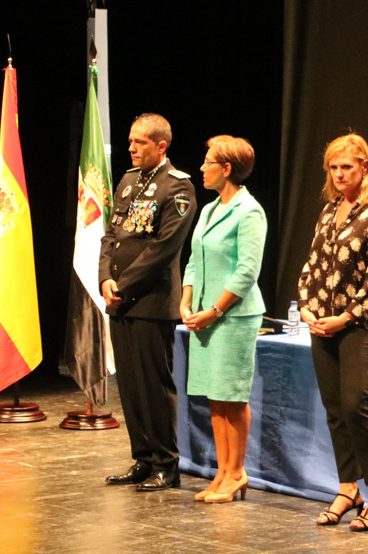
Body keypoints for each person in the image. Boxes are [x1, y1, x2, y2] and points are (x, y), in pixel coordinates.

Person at [297, 133, 368, 530]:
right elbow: (311, 265)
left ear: (364, 168)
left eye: (347, 167)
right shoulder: (329, 210)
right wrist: (306, 305)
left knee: (357, 406)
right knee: (336, 410)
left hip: (361, 325)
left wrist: (347, 316)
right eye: (334, 168)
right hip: (322, 324)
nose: (339, 174)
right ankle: (347, 487)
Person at [100, 113, 197, 491]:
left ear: (161, 146)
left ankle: (165, 463)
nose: (131, 148)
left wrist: (123, 282)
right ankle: (142, 457)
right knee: (129, 385)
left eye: (139, 142)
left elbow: (163, 247)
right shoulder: (127, 181)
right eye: (130, 141)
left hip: (151, 300)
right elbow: (112, 235)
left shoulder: (178, 188)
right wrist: (105, 277)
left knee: (155, 385)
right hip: (120, 298)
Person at [181, 135, 266, 504]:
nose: (202, 167)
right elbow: (193, 260)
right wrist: (186, 302)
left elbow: (247, 271)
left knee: (232, 394)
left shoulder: (250, 211)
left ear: (226, 168)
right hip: (202, 316)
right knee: (214, 396)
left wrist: (214, 309)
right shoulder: (209, 209)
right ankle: (221, 471)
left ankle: (237, 471)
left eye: (208, 161)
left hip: (231, 317)